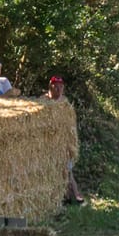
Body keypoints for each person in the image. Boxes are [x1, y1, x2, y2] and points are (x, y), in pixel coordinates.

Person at [45, 76, 84, 204]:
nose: (58, 89)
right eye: (56, 86)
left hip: (63, 143)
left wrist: (70, 144)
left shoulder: (65, 103)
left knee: (67, 171)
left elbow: (70, 125)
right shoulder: (43, 101)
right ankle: (63, 198)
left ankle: (76, 196)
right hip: (47, 144)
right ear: (50, 86)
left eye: (61, 86)